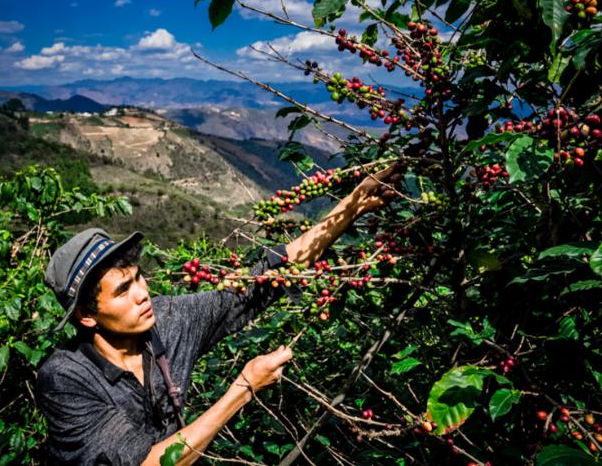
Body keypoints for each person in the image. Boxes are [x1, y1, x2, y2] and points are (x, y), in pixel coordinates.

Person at [36, 163, 404, 465]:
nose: (142, 294)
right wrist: (242, 390)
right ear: (87, 316)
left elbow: (264, 282)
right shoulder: (66, 378)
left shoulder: (169, 321)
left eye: (138, 278)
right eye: (122, 291)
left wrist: (351, 205)